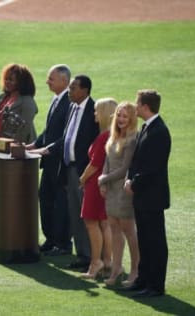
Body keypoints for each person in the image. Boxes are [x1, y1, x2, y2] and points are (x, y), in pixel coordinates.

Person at [41, 75, 100, 271]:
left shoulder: (93, 111)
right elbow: (66, 138)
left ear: (85, 90)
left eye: (73, 87)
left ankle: (92, 257)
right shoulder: (72, 107)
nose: (70, 91)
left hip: (84, 171)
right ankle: (83, 255)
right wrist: (45, 149)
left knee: (87, 217)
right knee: (75, 214)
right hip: (69, 168)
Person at [124, 89, 171, 298]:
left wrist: (133, 183)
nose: (135, 106)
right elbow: (136, 160)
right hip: (142, 195)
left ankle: (156, 285)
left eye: (137, 103)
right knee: (144, 239)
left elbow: (152, 167)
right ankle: (143, 279)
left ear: (145, 106)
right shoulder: (147, 128)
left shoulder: (159, 131)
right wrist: (129, 178)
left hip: (152, 197)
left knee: (155, 241)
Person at [25, 64, 72, 256]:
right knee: (45, 198)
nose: (47, 82)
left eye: (51, 79)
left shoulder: (69, 102)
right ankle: (51, 239)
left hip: (60, 163)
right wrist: (33, 145)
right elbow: (49, 131)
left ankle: (62, 243)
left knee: (61, 204)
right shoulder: (56, 99)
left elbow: (66, 135)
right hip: (49, 161)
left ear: (64, 81)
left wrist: (45, 149)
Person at [98, 101, 140, 286]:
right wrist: (104, 181)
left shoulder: (132, 139)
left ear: (132, 119)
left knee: (129, 232)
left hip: (124, 190)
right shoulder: (113, 136)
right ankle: (116, 270)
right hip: (111, 189)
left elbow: (124, 169)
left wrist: (103, 179)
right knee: (114, 229)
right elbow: (108, 160)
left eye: (125, 116)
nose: (121, 119)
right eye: (119, 115)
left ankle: (135, 272)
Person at [79, 98, 116, 279]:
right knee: (104, 223)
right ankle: (108, 261)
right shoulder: (114, 134)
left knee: (91, 223)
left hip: (95, 184)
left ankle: (96, 262)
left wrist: (82, 178)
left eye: (96, 111)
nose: (94, 114)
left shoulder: (103, 136)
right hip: (106, 184)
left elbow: (94, 164)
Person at [0, 63, 38, 144]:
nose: (7, 82)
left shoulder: (27, 102)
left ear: (21, 82)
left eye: (11, 80)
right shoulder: (2, 98)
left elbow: (24, 129)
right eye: (5, 79)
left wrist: (12, 145)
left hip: (19, 149)